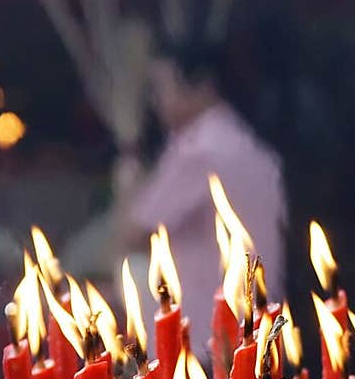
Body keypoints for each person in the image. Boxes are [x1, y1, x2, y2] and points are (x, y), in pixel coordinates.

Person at [66, 33, 286, 342]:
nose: (155, 103)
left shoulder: (198, 149)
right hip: (256, 317)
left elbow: (130, 232)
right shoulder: (244, 143)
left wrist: (128, 165)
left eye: (161, 88)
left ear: (201, 86)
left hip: (203, 326)